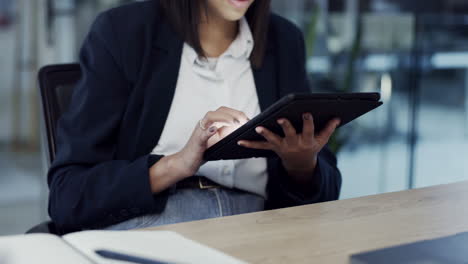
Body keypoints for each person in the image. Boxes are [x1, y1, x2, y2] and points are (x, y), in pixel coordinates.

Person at [48, 0, 342, 234]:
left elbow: (327, 190)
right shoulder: (123, 32)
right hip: (161, 223)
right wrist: (175, 165)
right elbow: (68, 196)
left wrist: (302, 166)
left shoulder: (285, 39)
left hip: (261, 227)